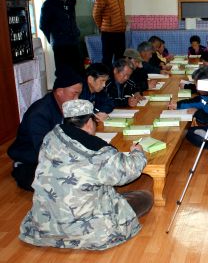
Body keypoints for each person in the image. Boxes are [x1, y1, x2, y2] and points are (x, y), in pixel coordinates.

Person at [19, 99, 152, 250]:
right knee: (145, 197)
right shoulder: (97, 150)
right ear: (89, 122)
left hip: (46, 224)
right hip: (89, 231)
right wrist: (138, 152)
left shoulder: (51, 136)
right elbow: (129, 170)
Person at [7, 69, 83, 191]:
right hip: (32, 157)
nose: (77, 99)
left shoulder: (64, 104)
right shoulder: (39, 113)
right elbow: (42, 149)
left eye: (79, 94)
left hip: (54, 151)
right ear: (59, 92)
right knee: (61, 185)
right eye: (74, 94)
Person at [39, 0, 82, 75]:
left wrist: (76, 32)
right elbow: (43, 25)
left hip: (74, 41)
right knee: (63, 72)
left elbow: (72, 20)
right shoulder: (49, 4)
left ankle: (78, 90)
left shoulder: (70, 2)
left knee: (78, 70)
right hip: (60, 44)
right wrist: (53, 38)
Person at [93, 0, 126, 69]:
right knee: (107, 58)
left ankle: (119, 80)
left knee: (120, 58)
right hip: (108, 33)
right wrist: (102, 26)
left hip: (120, 32)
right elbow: (96, 14)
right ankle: (106, 80)